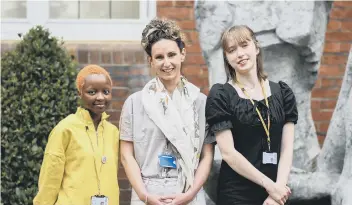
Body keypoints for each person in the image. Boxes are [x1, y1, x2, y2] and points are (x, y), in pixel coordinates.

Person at [119, 18, 215, 205]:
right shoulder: (134, 103)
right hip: (147, 193)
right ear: (151, 61)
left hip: (189, 192)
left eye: (172, 55)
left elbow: (207, 156)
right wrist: (145, 196)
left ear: (183, 54)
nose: (166, 63)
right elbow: (126, 155)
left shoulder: (200, 102)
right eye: (159, 57)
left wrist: (189, 194)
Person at [205, 25, 298, 205]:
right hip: (237, 194)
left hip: (275, 194)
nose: (239, 54)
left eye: (244, 45)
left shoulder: (282, 92)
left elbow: (287, 148)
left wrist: (277, 191)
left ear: (256, 47)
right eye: (232, 50)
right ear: (226, 57)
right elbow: (228, 153)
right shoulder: (221, 95)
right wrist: (271, 186)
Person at [33, 64, 120, 205]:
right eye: (92, 92)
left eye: (106, 91)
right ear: (80, 93)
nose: (100, 97)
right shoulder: (65, 129)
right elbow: (50, 178)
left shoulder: (113, 132)